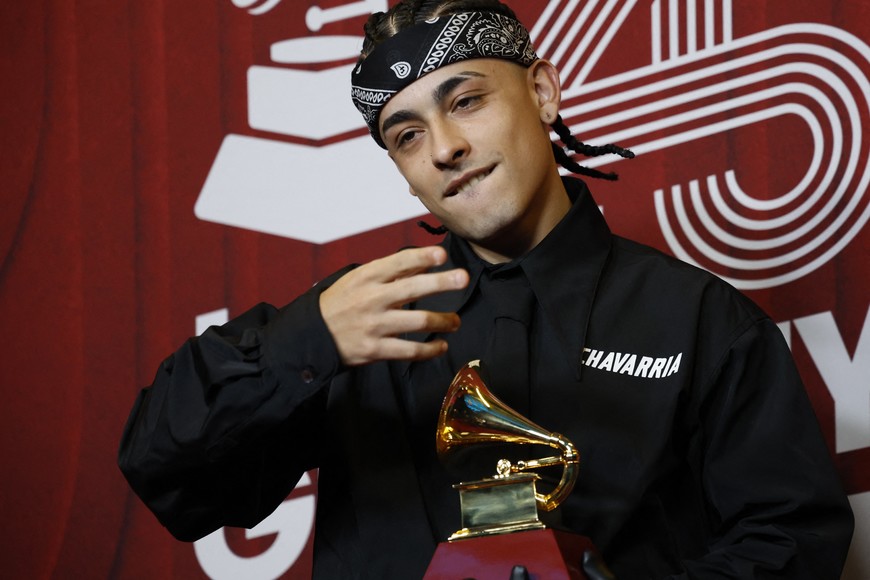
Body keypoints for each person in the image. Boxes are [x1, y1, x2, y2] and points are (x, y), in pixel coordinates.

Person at [118, 1, 854, 577]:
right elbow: (169, 475)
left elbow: (791, 541)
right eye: (406, 135)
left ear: (541, 90)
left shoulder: (699, 320)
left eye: (464, 100)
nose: (444, 148)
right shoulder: (361, 319)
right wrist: (305, 342)